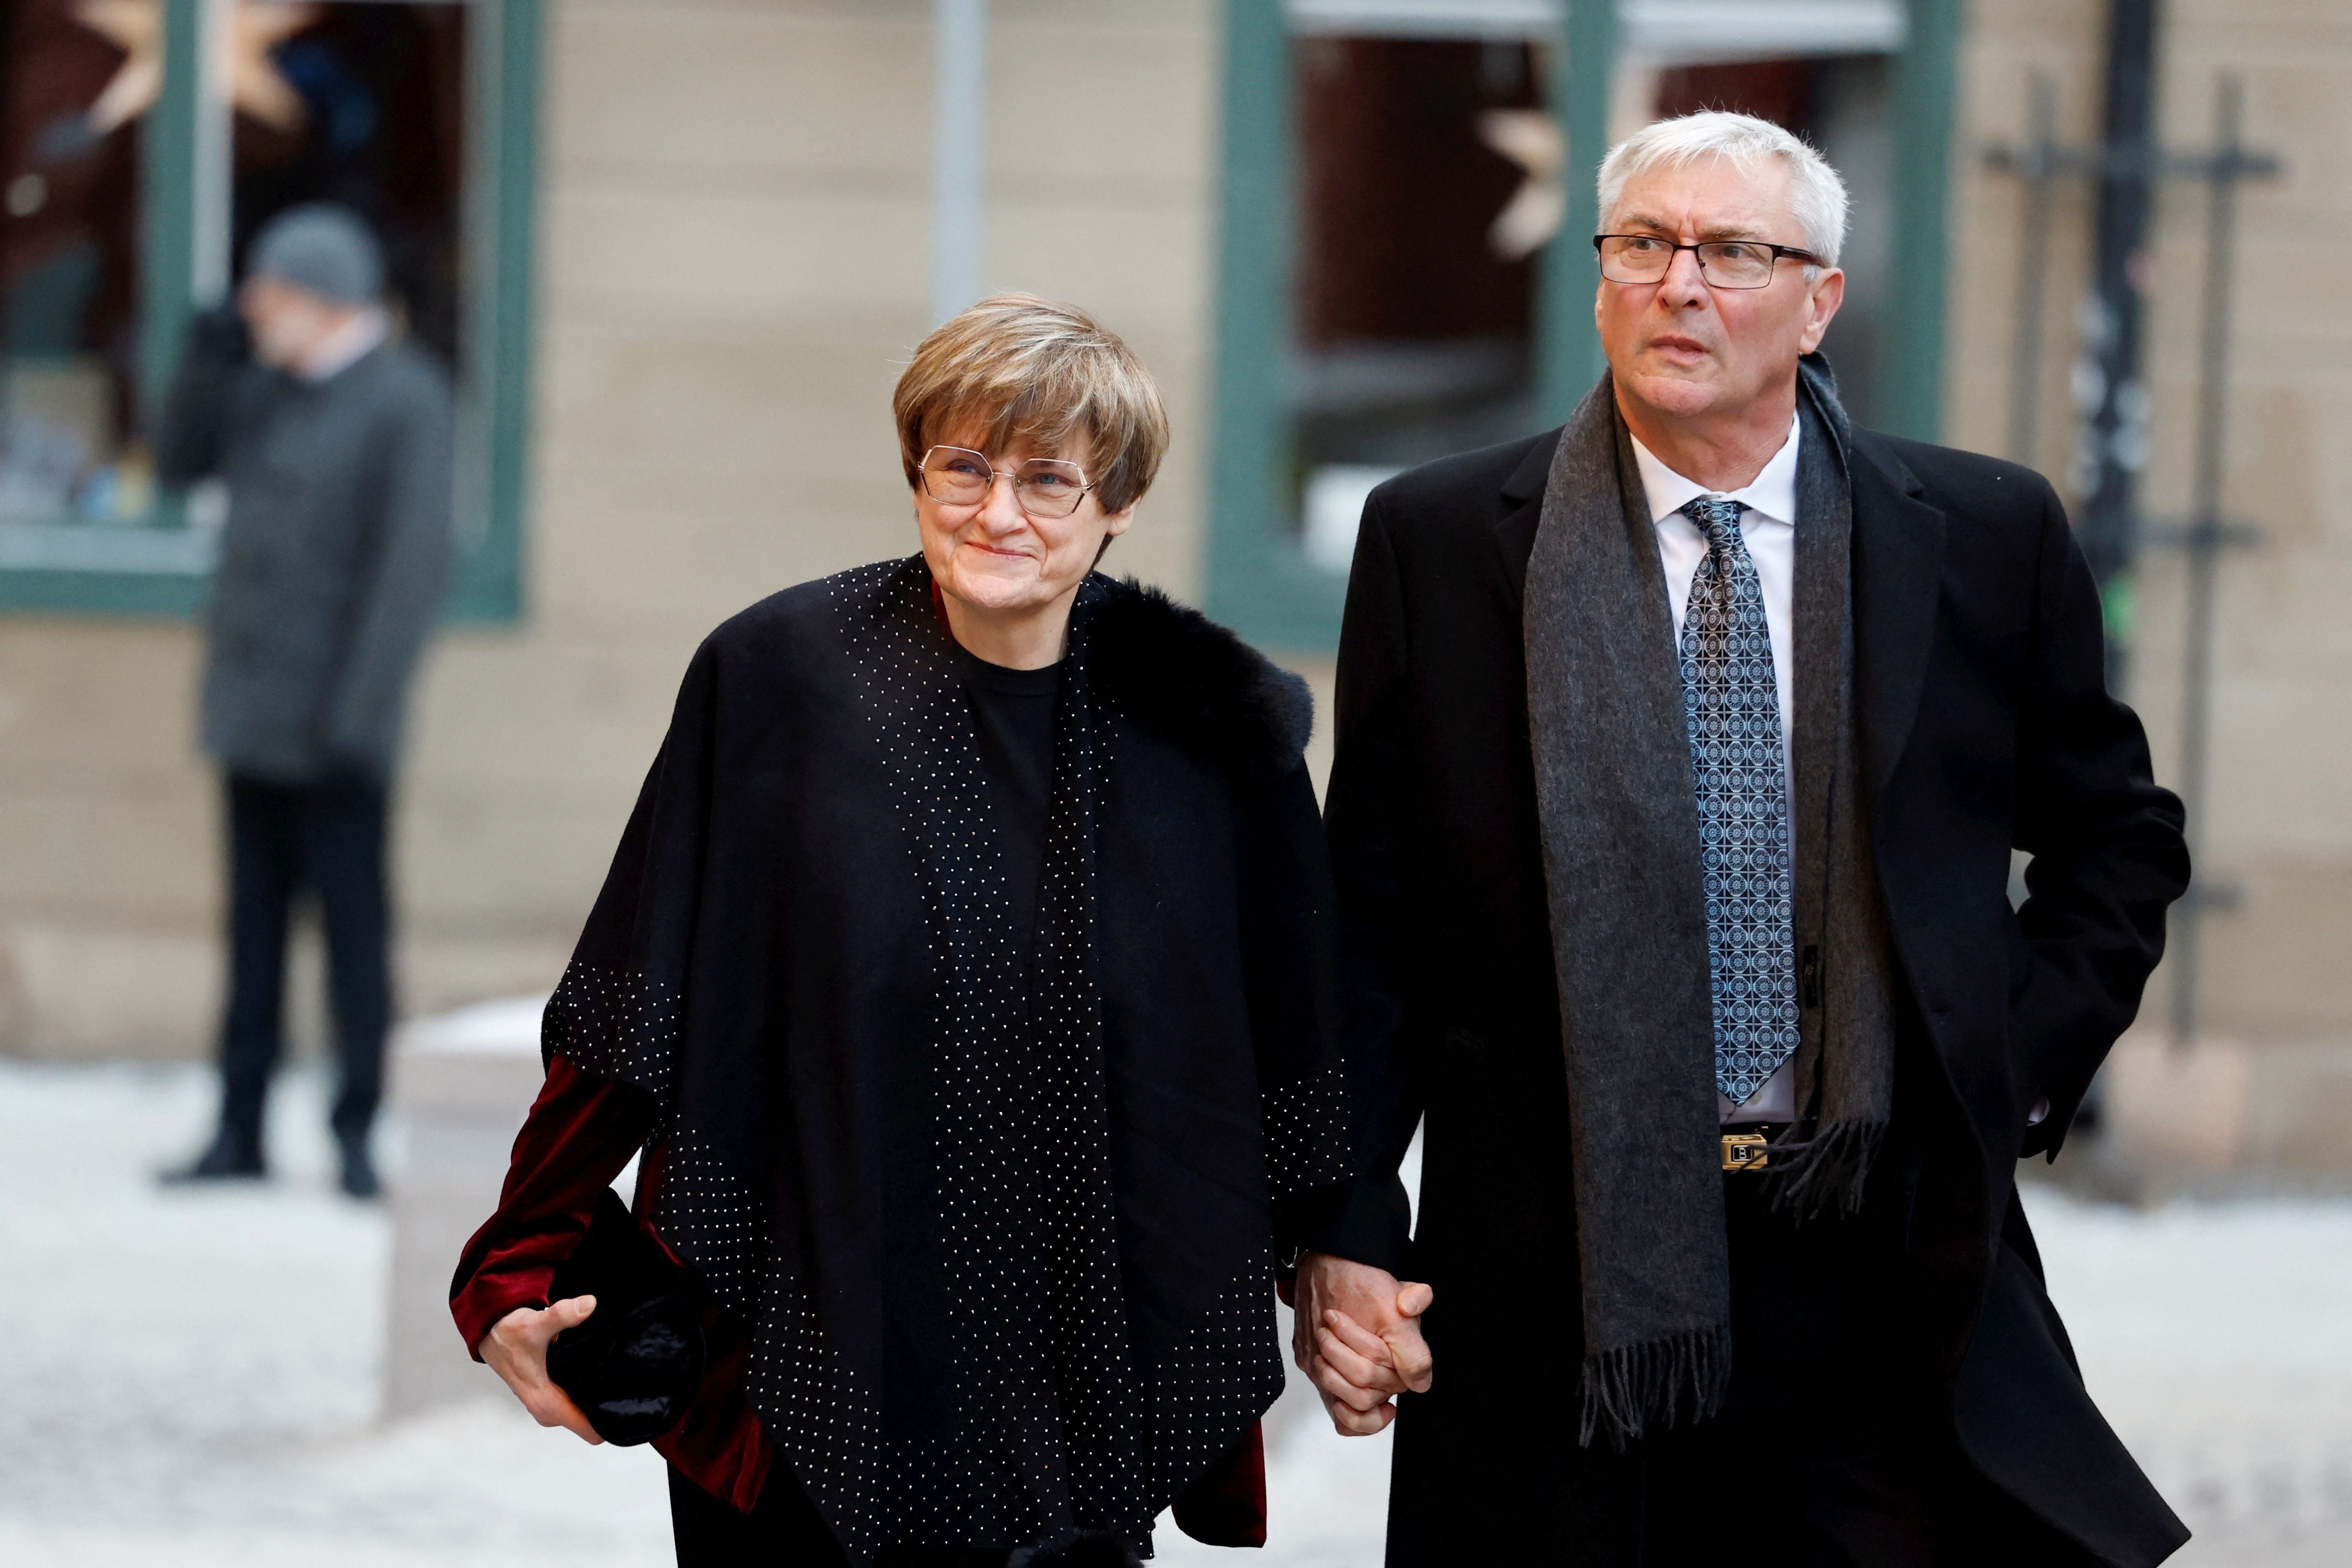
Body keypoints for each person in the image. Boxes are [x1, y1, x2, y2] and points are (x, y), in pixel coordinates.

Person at [1290, 112, 2193, 1566]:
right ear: (1598, 280)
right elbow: (1373, 925)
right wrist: (1343, 1221)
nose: (1680, 284)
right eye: (1642, 244)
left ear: (1820, 300)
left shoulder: (1978, 531)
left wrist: (2003, 1069)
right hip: (1557, 1264)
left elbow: (2118, 840)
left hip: (1876, 1258)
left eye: (1731, 251)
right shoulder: (1447, 539)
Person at [449, 295, 1378, 1566]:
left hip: (1077, 1358)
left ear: (1117, 505)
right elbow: (636, 992)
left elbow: (1298, 1035)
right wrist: (514, 1260)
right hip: (807, 1331)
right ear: (917, 471)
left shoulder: (1206, 726)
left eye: (1050, 480)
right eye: (964, 467)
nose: (999, 513)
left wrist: (1342, 1251)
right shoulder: (780, 678)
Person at [158, 203, 455, 1200]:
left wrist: (363, 719)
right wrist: (205, 366)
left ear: (324, 299)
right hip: (253, 713)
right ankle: (238, 1125)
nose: (254, 309)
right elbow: (177, 461)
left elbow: (406, 575)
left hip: (338, 727)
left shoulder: (406, 401)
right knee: (252, 931)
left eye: (270, 292)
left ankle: (358, 1127)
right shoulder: (267, 392)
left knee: (353, 934)